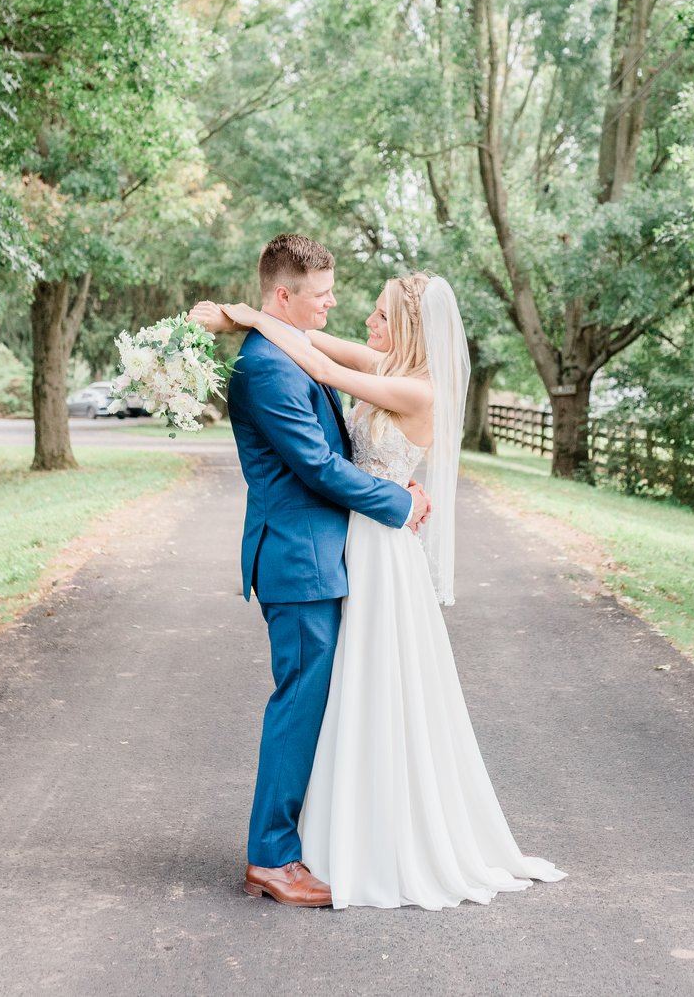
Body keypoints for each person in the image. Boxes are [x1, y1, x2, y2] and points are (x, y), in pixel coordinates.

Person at [193, 259, 563, 910]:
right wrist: (246, 316)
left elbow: (327, 370)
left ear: (410, 329)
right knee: (333, 695)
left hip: (375, 550)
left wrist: (250, 317)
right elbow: (316, 359)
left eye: (379, 312)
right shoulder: (371, 366)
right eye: (333, 296)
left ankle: (341, 839)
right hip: (343, 547)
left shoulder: (416, 387)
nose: (359, 313)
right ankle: (295, 847)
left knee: (370, 690)